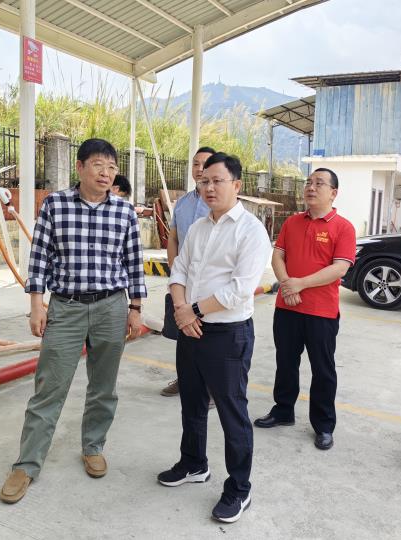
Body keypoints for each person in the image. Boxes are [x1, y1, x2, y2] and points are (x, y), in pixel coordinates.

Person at [0, 138, 147, 504]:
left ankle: (93, 446)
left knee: (104, 386)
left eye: (111, 168)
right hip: (66, 307)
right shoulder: (56, 204)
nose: (106, 173)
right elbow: (40, 256)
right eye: (98, 165)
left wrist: (135, 308)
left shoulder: (124, 211)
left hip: (112, 307)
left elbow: (133, 262)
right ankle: (26, 464)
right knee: (49, 387)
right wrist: (37, 304)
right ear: (79, 167)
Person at [157, 153, 271, 524]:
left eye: (217, 181)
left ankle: (239, 487)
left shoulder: (251, 231)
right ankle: (194, 463)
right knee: (191, 402)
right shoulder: (199, 227)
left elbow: (240, 290)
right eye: (204, 181)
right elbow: (180, 269)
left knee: (231, 412)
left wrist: (193, 311)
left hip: (226, 335)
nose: (208, 187)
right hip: (190, 328)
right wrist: (181, 308)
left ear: (236, 185)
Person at [254, 168, 355, 451]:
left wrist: (301, 284)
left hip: (321, 312)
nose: (311, 187)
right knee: (285, 362)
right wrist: (288, 285)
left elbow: (340, 268)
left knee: (323, 369)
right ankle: (283, 410)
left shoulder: (343, 227)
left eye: (319, 183)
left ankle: (324, 425)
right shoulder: (292, 222)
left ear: (333, 193)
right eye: (309, 182)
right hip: (287, 307)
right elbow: (278, 255)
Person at [160, 146, 216, 398]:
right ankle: (184, 379)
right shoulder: (182, 203)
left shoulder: (219, 203)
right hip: (183, 281)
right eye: (195, 163)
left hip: (210, 283)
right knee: (184, 332)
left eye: (206, 164)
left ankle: (211, 387)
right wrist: (175, 271)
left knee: (209, 334)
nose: (200, 169)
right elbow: (173, 238)